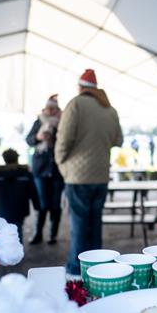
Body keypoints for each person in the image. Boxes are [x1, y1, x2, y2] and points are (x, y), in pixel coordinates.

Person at [55, 69, 123, 276]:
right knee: (94, 225)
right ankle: (98, 268)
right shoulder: (109, 109)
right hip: (101, 175)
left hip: (77, 176)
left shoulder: (76, 104)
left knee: (79, 226)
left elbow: (63, 139)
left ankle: (76, 270)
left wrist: (62, 164)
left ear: (81, 87)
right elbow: (118, 140)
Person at [26, 94, 65, 245]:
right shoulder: (38, 122)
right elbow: (29, 140)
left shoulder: (62, 123)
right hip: (41, 169)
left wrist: (53, 139)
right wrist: (38, 137)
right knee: (42, 204)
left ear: (57, 110)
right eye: (48, 108)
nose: (50, 111)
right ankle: (38, 233)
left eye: (53, 109)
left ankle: (53, 234)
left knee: (56, 204)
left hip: (57, 169)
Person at [0, 149, 40, 242]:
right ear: (17, 158)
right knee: (17, 230)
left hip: (2, 209)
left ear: (4, 159)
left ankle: (7, 251)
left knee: (4, 232)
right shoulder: (26, 174)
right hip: (20, 209)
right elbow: (33, 192)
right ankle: (17, 252)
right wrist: (37, 206)